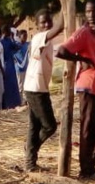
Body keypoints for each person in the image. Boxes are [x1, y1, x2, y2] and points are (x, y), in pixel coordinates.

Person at [57, 0, 95, 179]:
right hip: (88, 85)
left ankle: (91, 165)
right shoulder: (83, 32)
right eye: (88, 11)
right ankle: (86, 169)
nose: (91, 15)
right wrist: (82, 59)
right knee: (88, 128)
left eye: (94, 11)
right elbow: (62, 51)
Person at [22, 10, 64, 171]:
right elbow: (59, 27)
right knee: (49, 126)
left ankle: (30, 163)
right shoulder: (40, 37)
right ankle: (30, 149)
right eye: (43, 22)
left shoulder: (48, 41)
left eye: (48, 22)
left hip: (37, 87)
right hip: (36, 89)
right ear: (37, 25)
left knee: (34, 126)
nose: (46, 25)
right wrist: (65, 6)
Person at [0, 25, 22, 109]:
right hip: (8, 65)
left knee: (9, 85)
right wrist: (13, 38)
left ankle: (8, 104)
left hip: (7, 64)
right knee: (10, 85)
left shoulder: (3, 41)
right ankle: (9, 104)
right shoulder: (5, 41)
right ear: (6, 32)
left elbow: (16, 47)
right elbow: (17, 47)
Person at [14, 30, 29, 100]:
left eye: (26, 36)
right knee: (20, 86)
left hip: (26, 68)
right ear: (19, 37)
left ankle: (26, 99)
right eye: (24, 36)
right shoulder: (16, 45)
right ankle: (20, 100)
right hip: (19, 69)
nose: (26, 37)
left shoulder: (26, 44)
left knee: (26, 85)